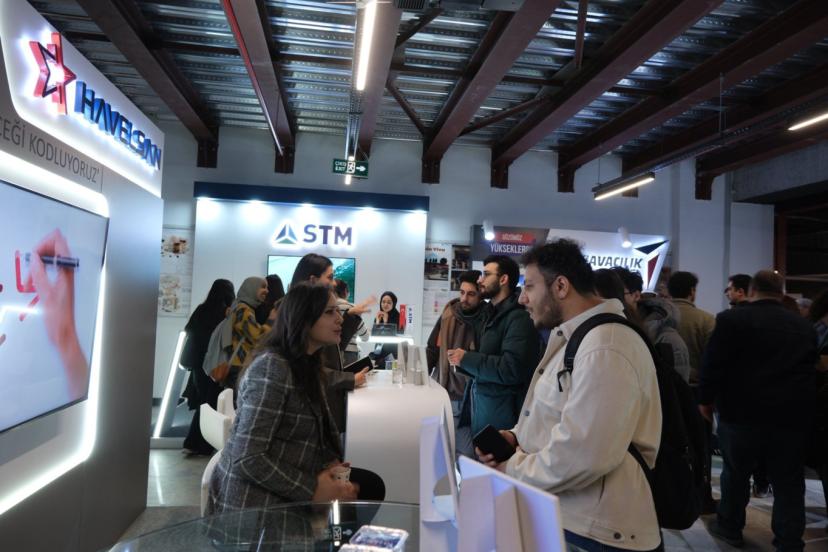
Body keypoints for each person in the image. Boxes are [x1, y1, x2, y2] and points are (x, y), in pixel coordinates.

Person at [478, 239, 662, 551]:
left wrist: (511, 469)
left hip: (597, 532)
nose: (522, 298)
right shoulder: (580, 337)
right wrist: (516, 436)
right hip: (571, 517)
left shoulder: (606, 346)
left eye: (530, 287)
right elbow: (558, 412)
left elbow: (584, 453)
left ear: (561, 286)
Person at [208, 283, 384, 514]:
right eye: (329, 312)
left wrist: (328, 465)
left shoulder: (306, 365)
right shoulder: (272, 368)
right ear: (303, 319)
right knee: (367, 493)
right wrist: (313, 489)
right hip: (256, 507)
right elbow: (247, 457)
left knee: (370, 486)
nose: (340, 319)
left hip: (291, 476)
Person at [698, 271, 817, 550]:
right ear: (781, 291)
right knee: (788, 482)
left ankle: (730, 527)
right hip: (789, 418)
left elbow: (713, 364)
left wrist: (706, 400)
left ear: (751, 290)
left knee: (735, 474)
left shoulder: (731, 320)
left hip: (740, 413)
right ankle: (789, 540)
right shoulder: (803, 327)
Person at [447, 255, 541, 436]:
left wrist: (467, 359)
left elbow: (511, 369)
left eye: (486, 274)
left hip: (503, 417)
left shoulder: (519, 318)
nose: (480, 280)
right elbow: (488, 363)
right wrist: (462, 363)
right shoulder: (489, 313)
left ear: (503, 279)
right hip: (484, 408)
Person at [289, 253, 372, 432]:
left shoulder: (303, 314)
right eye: (330, 277)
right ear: (313, 279)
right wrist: (349, 379)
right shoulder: (294, 315)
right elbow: (306, 367)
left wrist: (351, 317)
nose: (334, 283)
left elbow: (332, 347)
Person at [425, 270, 484, 457]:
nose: (464, 299)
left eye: (471, 294)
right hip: (446, 391)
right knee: (445, 452)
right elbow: (432, 348)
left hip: (472, 397)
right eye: (462, 292)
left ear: (481, 295)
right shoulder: (448, 314)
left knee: (466, 453)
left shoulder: (486, 318)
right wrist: (422, 378)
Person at [181, 279, 235, 455]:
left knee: (204, 403)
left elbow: (189, 329)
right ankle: (200, 443)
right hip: (216, 364)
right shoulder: (227, 313)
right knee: (212, 403)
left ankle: (195, 443)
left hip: (198, 365)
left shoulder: (201, 309)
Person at [613, 266, 692, 383]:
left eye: (617, 295)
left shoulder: (667, 339)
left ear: (636, 296)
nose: (611, 301)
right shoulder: (609, 331)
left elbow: (677, 388)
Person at [226, 277, 273, 390]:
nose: (267, 291)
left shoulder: (240, 307)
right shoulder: (243, 310)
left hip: (237, 363)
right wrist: (271, 321)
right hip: (238, 364)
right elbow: (258, 336)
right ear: (252, 288)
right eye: (263, 287)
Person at [333, 278, 368, 366]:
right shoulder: (353, 308)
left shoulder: (327, 307)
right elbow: (365, 337)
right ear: (346, 291)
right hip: (350, 354)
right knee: (349, 375)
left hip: (330, 352)